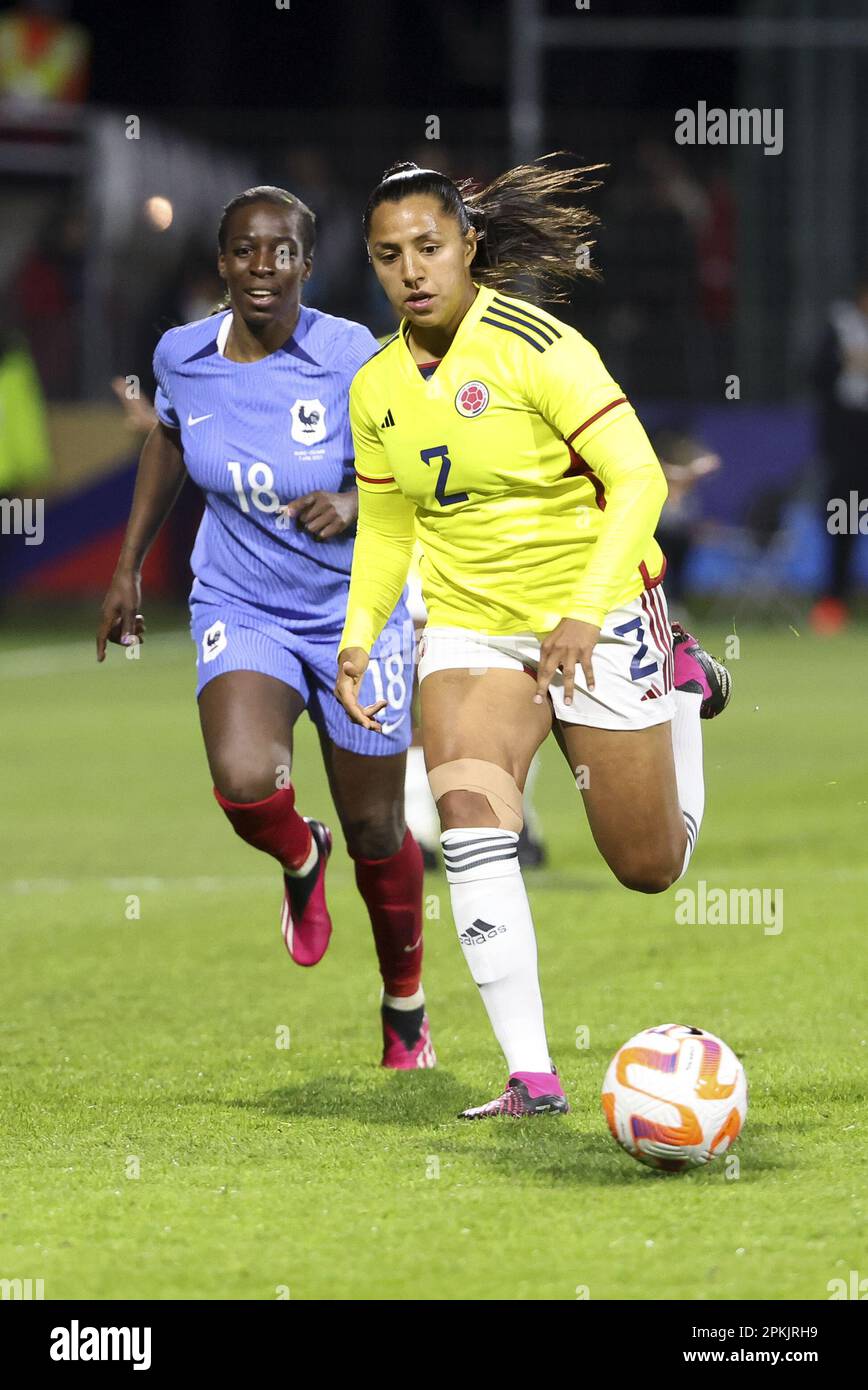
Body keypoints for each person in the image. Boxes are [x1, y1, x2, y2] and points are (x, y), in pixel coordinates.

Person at [335, 160, 731, 1118]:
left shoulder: (540, 347)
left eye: (429, 247)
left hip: (593, 613)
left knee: (649, 867)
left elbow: (638, 481)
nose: (412, 271)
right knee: (471, 828)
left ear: (469, 245)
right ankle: (533, 1076)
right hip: (471, 629)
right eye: (390, 256)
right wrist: (358, 640)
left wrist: (589, 611)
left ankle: (680, 687)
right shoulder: (377, 386)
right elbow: (389, 528)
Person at [97, 186, 435, 1069]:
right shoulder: (183, 356)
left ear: (306, 264)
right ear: (222, 262)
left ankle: (405, 1005)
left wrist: (357, 501)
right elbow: (167, 443)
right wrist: (128, 565)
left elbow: (417, 461)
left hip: (356, 615)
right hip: (241, 603)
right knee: (247, 780)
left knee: (377, 832)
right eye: (245, 250)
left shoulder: (354, 354)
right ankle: (298, 850)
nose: (262, 267)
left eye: (281, 251)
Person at [810, 273, 868, 633]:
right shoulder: (839, 327)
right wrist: (845, 363)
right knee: (844, 522)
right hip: (848, 445)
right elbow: (814, 374)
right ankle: (834, 603)